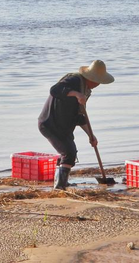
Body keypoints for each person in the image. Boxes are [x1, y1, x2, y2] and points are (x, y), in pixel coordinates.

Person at [38, 60, 114, 190]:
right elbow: (55, 90)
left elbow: (80, 117)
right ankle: (60, 186)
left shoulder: (86, 89)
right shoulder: (74, 80)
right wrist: (76, 94)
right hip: (50, 124)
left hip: (64, 126)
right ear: (91, 78)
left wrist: (91, 135)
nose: (98, 84)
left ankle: (60, 183)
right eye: (97, 81)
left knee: (69, 152)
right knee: (69, 153)